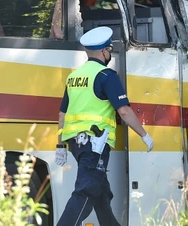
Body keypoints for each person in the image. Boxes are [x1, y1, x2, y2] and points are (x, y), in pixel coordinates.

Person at [55, 26, 154, 226]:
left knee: (100, 194)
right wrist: (144, 135)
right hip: (95, 143)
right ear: (104, 51)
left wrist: (60, 145)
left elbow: (62, 114)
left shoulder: (74, 77)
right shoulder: (106, 75)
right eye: (108, 50)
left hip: (76, 144)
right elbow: (124, 111)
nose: (109, 54)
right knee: (85, 192)